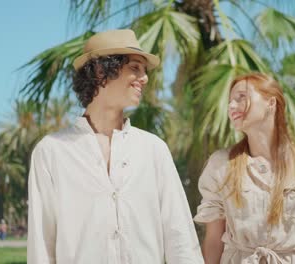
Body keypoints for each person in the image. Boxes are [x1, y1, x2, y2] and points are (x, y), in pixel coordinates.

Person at [27, 29, 203, 264]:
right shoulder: (52, 151)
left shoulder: (153, 150)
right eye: (135, 68)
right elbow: (42, 244)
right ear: (101, 71)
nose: (145, 78)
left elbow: (180, 236)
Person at [194, 73, 295, 264]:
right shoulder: (220, 164)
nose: (231, 106)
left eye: (241, 97)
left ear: (271, 103)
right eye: (230, 101)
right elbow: (213, 241)